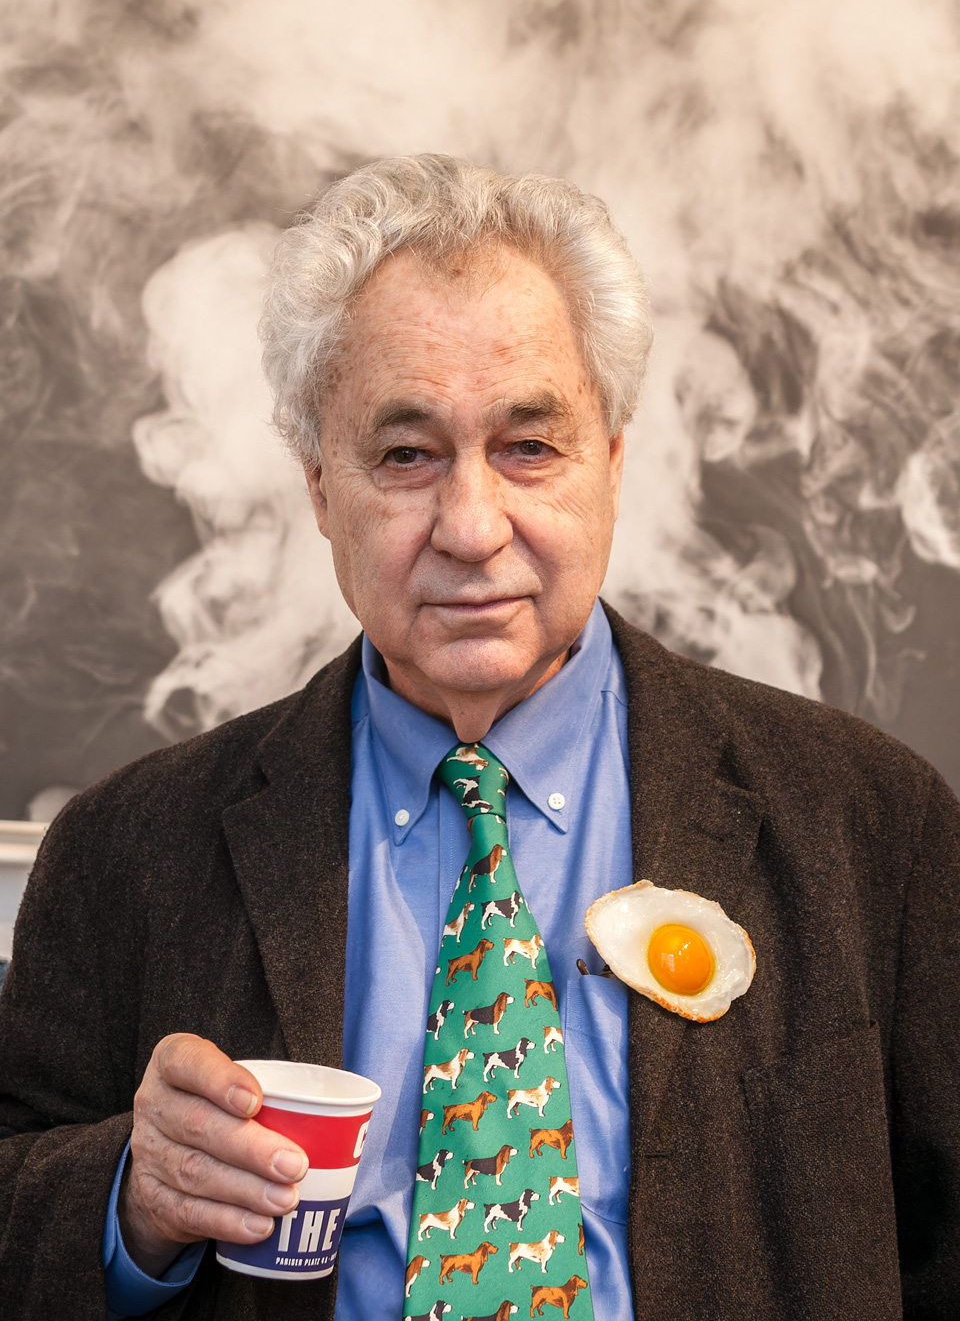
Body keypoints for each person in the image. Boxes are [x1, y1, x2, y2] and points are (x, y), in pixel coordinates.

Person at [1, 154, 958, 1321]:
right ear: (319, 486)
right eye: (406, 455)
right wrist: (131, 1198)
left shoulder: (871, 824)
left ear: (613, 463)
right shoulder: (127, 847)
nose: (470, 526)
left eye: (529, 447)